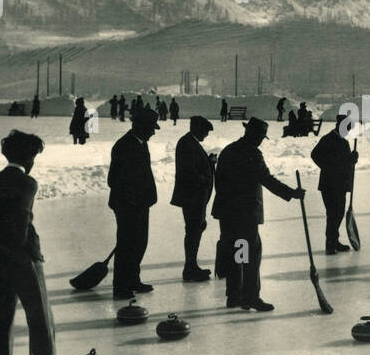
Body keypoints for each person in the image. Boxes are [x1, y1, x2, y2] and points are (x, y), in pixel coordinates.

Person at [0, 130, 81, 355]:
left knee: (2, 321)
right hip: (24, 262)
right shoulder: (27, 183)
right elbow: (19, 226)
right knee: (41, 320)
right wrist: (21, 259)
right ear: (29, 157)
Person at [210, 116, 305, 311]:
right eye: (262, 136)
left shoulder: (229, 150)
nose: (262, 140)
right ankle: (251, 296)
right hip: (244, 214)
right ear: (256, 135)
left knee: (238, 252)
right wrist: (292, 193)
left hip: (227, 213)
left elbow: (218, 181)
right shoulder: (252, 154)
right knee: (251, 254)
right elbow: (267, 179)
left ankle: (234, 295)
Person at [107, 106, 160, 299]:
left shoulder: (140, 143)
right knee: (127, 246)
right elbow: (113, 179)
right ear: (141, 126)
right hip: (128, 206)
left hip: (140, 205)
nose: (154, 132)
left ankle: (133, 280)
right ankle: (121, 286)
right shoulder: (124, 146)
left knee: (139, 244)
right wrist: (133, 199)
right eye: (152, 127)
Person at [171, 116, 216, 281]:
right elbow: (188, 171)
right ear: (197, 128)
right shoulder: (187, 143)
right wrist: (203, 179)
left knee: (196, 229)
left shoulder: (191, 143)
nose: (206, 135)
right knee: (193, 230)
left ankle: (191, 266)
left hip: (196, 197)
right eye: (205, 131)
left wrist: (209, 163)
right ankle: (190, 268)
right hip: (192, 197)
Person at [310, 110, 359, 254]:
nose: (347, 132)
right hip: (330, 185)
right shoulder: (328, 139)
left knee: (338, 214)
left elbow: (344, 162)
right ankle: (330, 244)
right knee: (333, 214)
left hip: (340, 185)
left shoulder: (343, 141)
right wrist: (332, 167)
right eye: (346, 129)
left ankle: (334, 241)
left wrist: (352, 159)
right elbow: (315, 155)